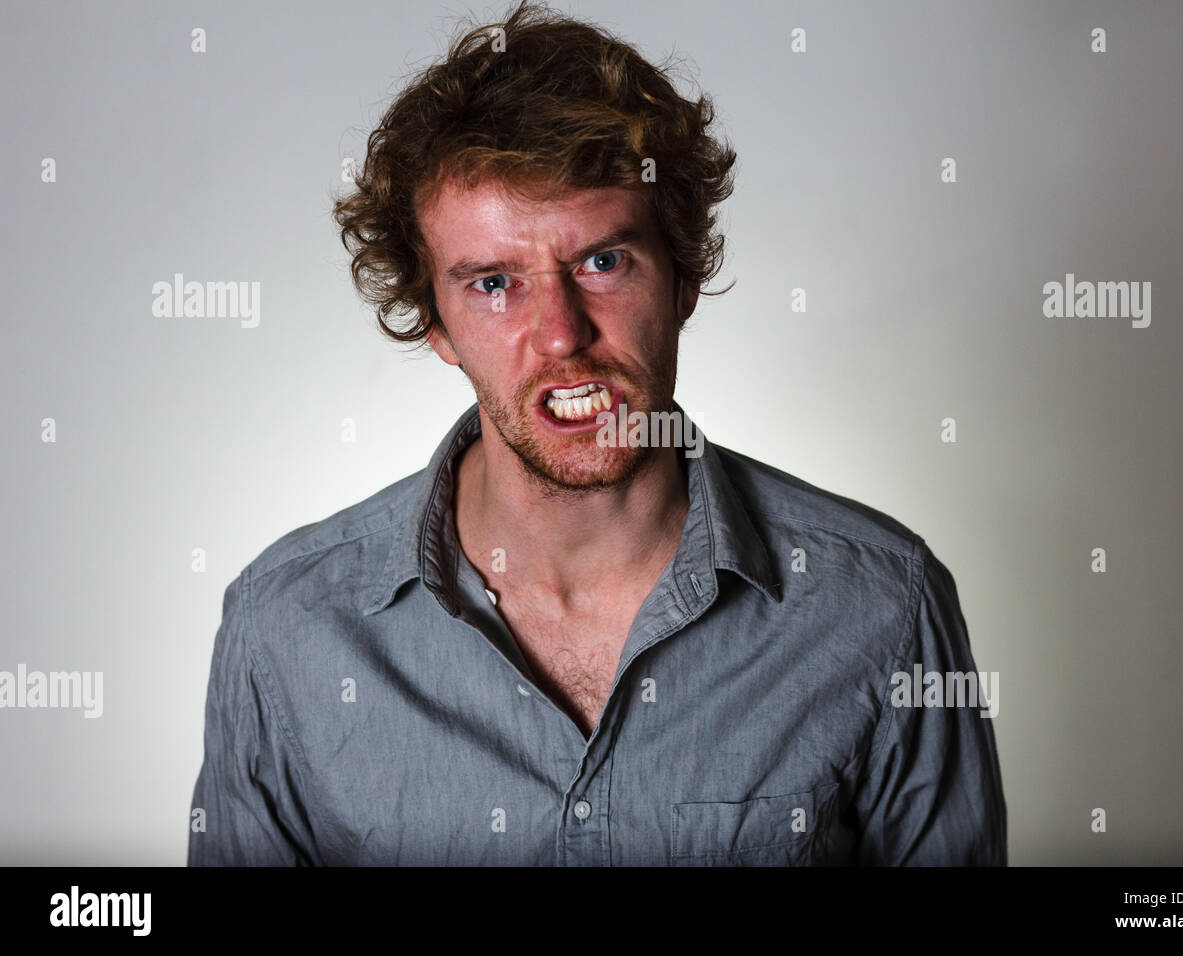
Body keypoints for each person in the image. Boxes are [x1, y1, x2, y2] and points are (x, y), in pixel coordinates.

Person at [188, 0, 1006, 866]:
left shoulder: (880, 604)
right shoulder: (286, 629)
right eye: (495, 282)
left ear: (683, 278)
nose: (560, 333)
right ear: (435, 325)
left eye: (603, 262)